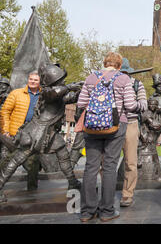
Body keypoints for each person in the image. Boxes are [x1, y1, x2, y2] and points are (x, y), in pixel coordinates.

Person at [0, 65, 82, 203]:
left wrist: (82, 89)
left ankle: (72, 182)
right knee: (16, 160)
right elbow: (55, 94)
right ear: (54, 81)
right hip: (35, 134)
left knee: (63, 155)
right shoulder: (47, 93)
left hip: (48, 134)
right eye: (60, 80)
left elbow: (71, 97)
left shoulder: (58, 94)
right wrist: (70, 86)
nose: (63, 82)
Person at [77, 52, 142, 222]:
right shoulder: (123, 79)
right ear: (119, 65)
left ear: (105, 63)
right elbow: (130, 105)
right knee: (109, 167)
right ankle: (106, 211)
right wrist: (140, 105)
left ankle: (87, 212)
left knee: (90, 167)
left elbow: (81, 103)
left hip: (91, 127)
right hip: (115, 125)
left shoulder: (91, 77)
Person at [0, 71, 42, 190]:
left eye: (35, 80)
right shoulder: (16, 93)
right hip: (13, 134)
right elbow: (4, 112)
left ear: (40, 82)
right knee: (5, 162)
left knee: (33, 164)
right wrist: (6, 130)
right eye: (31, 79)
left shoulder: (43, 96)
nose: (32, 81)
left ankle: (32, 191)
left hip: (32, 136)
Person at [119, 58, 148, 208]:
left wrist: (130, 104)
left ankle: (127, 194)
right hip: (113, 125)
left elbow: (144, 104)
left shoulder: (137, 84)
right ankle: (106, 192)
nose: (122, 75)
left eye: (124, 72)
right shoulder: (111, 83)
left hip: (130, 124)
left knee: (131, 162)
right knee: (105, 162)